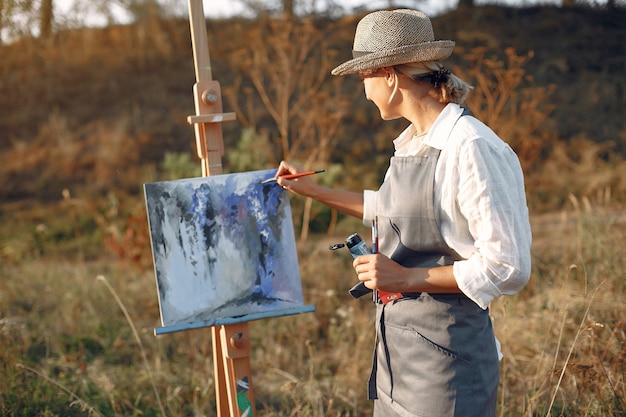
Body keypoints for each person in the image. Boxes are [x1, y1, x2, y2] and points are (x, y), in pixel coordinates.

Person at [274, 9, 531, 417]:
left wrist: (404, 277)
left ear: (390, 74)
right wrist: (313, 191)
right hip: (398, 359)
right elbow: (392, 211)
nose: (364, 92)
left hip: (448, 368)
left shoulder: (471, 147)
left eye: (364, 78)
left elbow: (507, 266)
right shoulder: (412, 144)